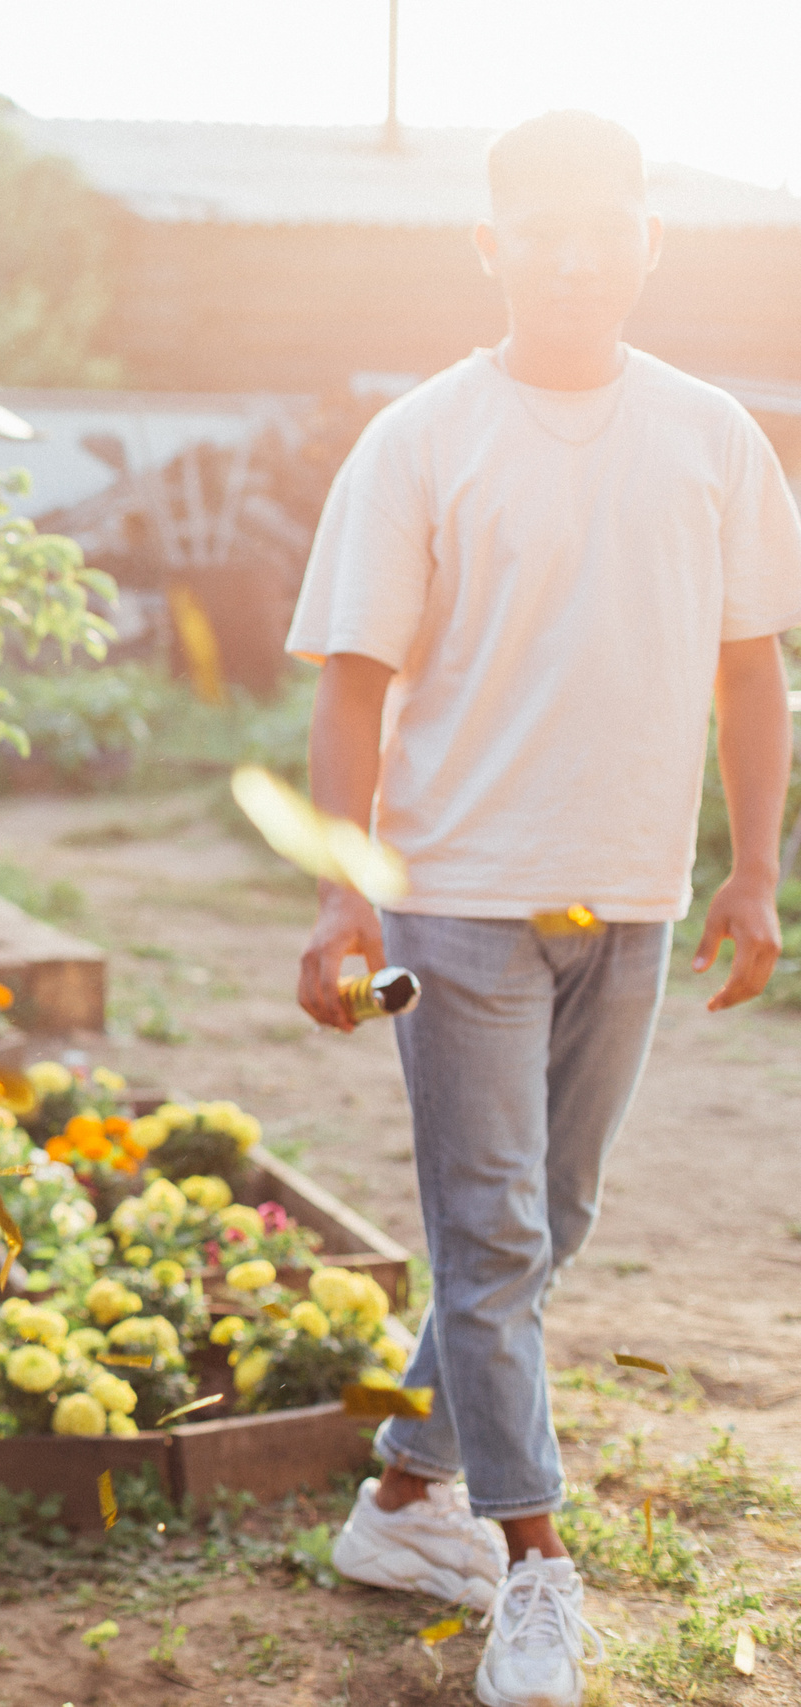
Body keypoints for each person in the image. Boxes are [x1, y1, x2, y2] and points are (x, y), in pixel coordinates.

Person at [290, 113, 801, 1707]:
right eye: (542, 228)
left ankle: (400, 1497)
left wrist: (755, 869)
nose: (576, 255)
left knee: (542, 1221)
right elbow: (353, 684)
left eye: (605, 226)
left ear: (649, 240)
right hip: (455, 899)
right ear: (490, 244)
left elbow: (751, 671)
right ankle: (535, 1565)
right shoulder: (421, 438)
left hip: (632, 896)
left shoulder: (714, 435)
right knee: (497, 1230)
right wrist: (342, 889)